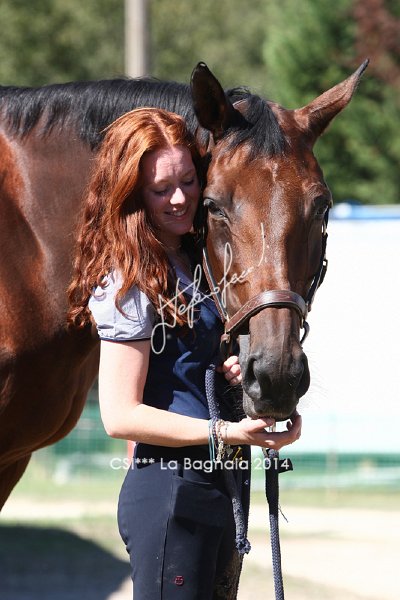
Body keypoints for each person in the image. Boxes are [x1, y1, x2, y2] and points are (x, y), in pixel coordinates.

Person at [68, 107, 302, 600]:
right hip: (170, 494)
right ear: (133, 193)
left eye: (188, 181)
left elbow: (187, 370)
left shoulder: (197, 263)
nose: (179, 199)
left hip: (219, 488)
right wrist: (226, 432)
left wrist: (229, 378)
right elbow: (120, 415)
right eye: (160, 189)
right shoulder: (127, 283)